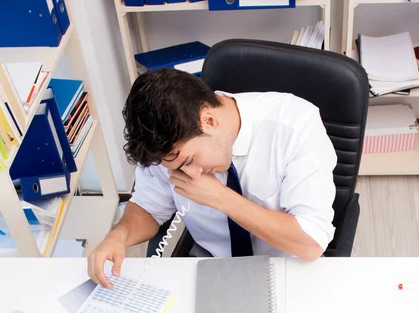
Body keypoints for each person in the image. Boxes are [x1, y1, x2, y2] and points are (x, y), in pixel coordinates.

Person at [88, 68, 337, 289]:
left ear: (209, 121)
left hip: (289, 271)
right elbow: (148, 207)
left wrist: (222, 199)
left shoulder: (295, 124)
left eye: (188, 161)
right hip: (212, 271)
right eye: (177, 169)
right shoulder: (168, 148)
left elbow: (311, 243)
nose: (191, 175)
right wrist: (118, 235)